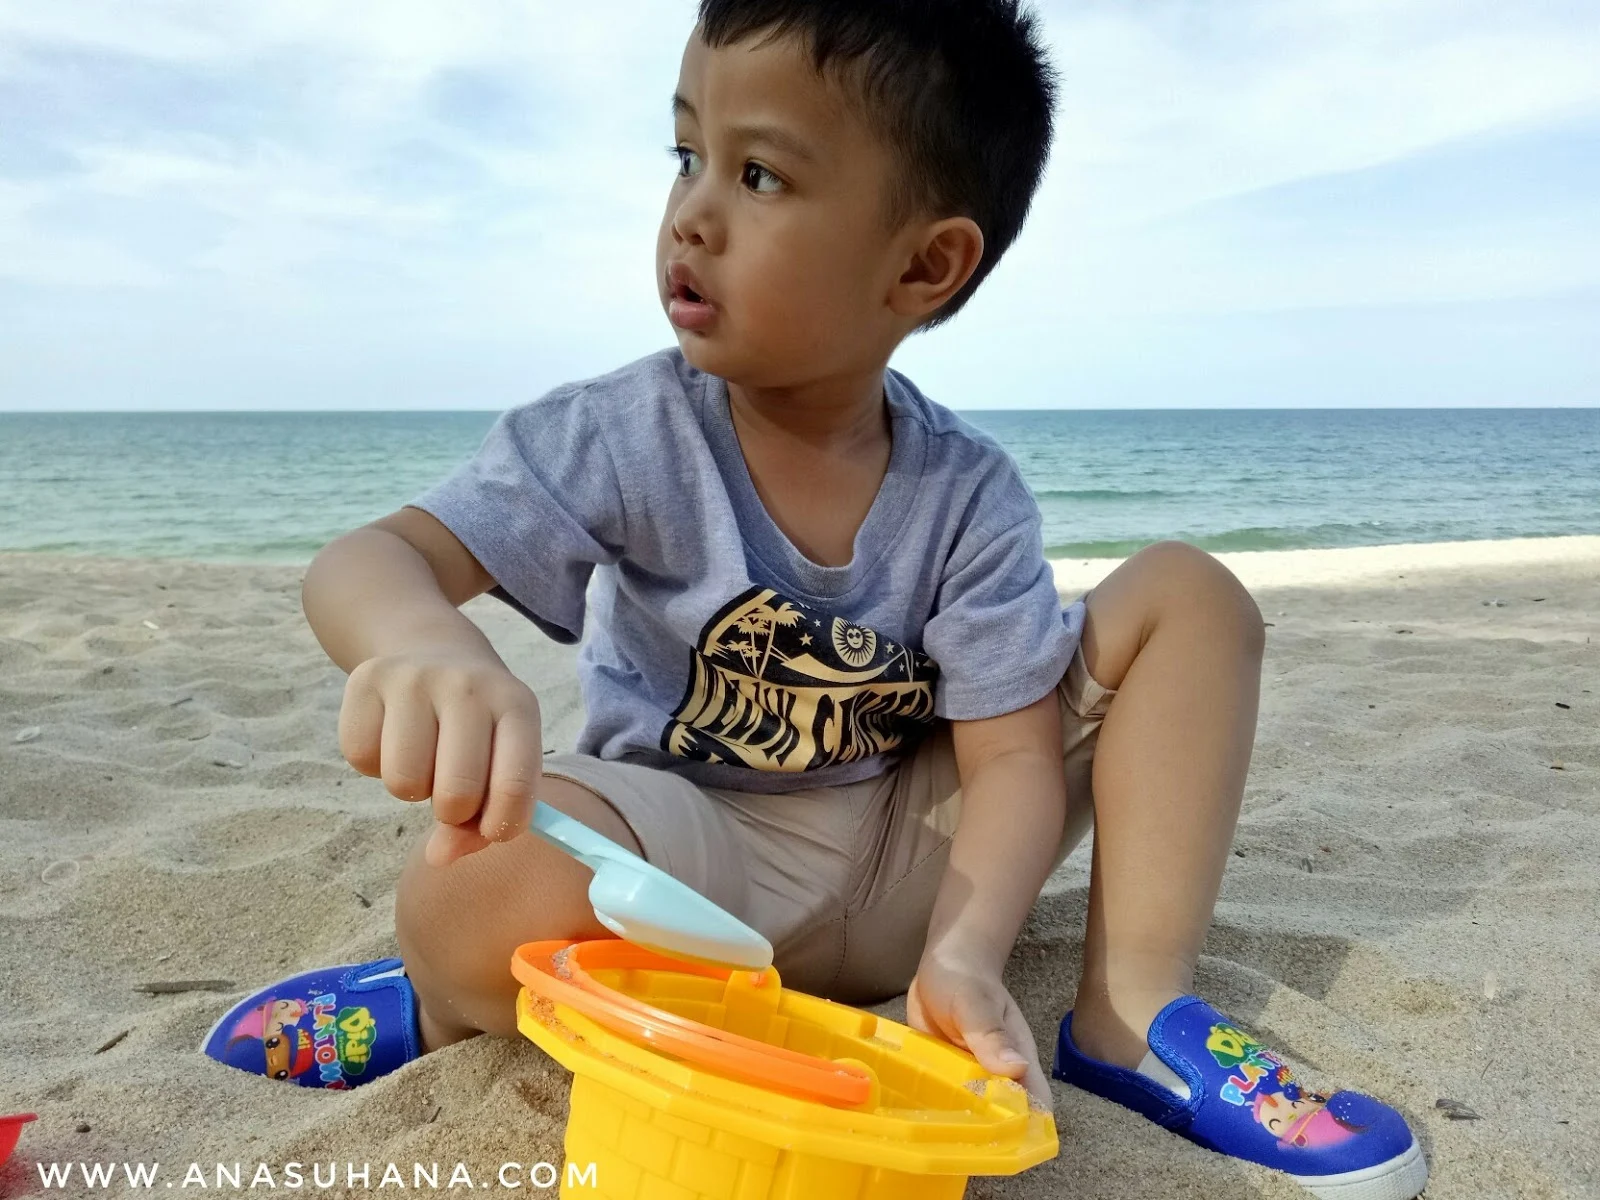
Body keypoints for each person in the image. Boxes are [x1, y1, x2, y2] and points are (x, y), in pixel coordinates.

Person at [203, 3, 1426, 1195]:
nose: (693, 212)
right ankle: (436, 1000)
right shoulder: (624, 434)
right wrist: (424, 643)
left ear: (924, 263)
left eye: (761, 177)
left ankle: (1132, 1013)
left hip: (916, 864)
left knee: (1190, 596)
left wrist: (961, 951)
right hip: (681, 872)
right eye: (686, 155)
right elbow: (373, 557)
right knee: (471, 884)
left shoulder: (966, 492)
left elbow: (1007, 767)